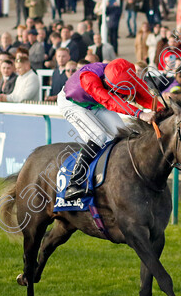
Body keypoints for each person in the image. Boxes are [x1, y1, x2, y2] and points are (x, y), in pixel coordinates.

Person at [58, 58, 161, 202]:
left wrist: (163, 111)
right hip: (73, 104)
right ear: (110, 85)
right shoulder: (89, 79)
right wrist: (140, 114)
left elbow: (145, 96)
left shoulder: (125, 74)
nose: (124, 97)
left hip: (96, 104)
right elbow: (110, 101)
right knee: (97, 137)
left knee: (125, 135)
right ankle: (74, 183)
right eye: (121, 94)